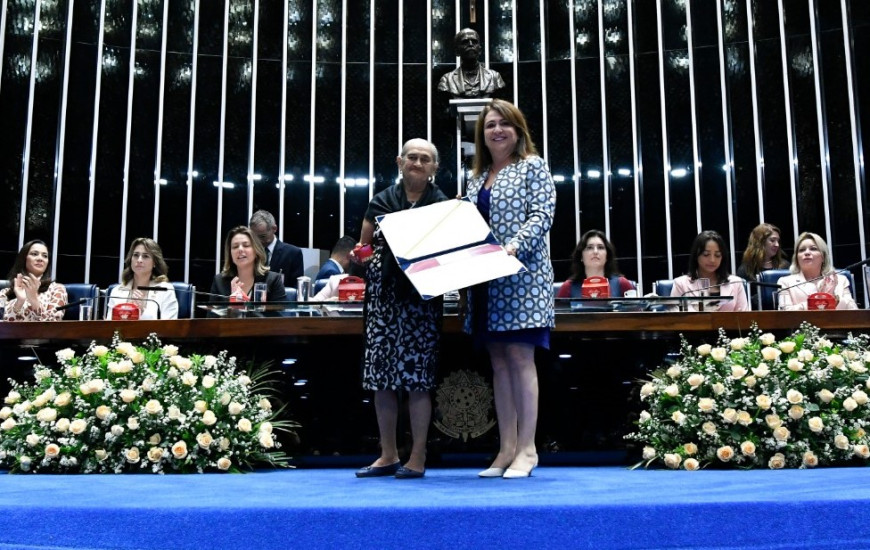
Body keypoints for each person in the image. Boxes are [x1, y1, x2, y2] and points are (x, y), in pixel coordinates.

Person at [463, 99, 556, 479]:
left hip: (522, 278)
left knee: (520, 359)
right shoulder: (474, 179)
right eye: (489, 125)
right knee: (499, 364)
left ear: (518, 130)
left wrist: (515, 244)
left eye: (504, 124)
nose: (496, 130)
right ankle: (506, 448)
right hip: (485, 282)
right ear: (481, 135)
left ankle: (528, 449)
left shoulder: (533, 165)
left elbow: (542, 213)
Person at [354, 138, 448, 480]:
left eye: (426, 159)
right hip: (382, 303)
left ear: (434, 168)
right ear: (399, 161)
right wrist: (359, 258)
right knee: (383, 380)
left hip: (421, 303)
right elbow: (363, 248)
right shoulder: (379, 201)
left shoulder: (442, 205)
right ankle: (388, 454)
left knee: (417, 381)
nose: (418, 162)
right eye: (413, 157)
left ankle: (418, 455)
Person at [670, 230, 750, 312]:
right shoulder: (681, 284)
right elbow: (674, 319)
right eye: (706, 254)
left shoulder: (736, 283)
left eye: (717, 255)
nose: (712, 260)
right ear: (696, 255)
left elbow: (745, 317)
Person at [776, 231, 858, 310]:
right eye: (801, 250)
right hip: (801, 324)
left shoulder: (840, 280)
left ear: (823, 257)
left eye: (813, 249)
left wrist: (833, 298)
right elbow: (784, 313)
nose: (807, 252)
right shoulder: (785, 282)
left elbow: (854, 312)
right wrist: (817, 302)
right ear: (797, 258)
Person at [211, 226, 287, 303]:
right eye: (235, 246)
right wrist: (232, 308)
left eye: (246, 245)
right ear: (230, 254)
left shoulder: (273, 280)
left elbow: (280, 314)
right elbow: (211, 314)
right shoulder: (219, 281)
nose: (240, 249)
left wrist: (246, 307)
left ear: (256, 251)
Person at [106, 238, 178, 320]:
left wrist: (142, 311)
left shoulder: (165, 290)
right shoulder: (117, 291)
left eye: (145, 256)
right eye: (136, 255)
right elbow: (110, 326)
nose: (139, 260)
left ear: (155, 262)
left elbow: (169, 328)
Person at [556, 230, 636, 298]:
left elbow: (635, 315)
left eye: (600, 247)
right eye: (589, 248)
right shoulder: (568, 287)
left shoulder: (622, 284)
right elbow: (557, 315)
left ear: (607, 256)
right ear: (581, 256)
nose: (595, 252)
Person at [2, 240, 67, 322]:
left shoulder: (57, 289)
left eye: (45, 256)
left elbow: (53, 324)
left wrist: (34, 299)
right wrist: (20, 301)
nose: (40, 259)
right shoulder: (5, 293)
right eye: (34, 254)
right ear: (24, 258)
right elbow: (3, 325)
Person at [437, 28, 506, 99]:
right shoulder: (447, 80)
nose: (470, 44)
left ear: (480, 50)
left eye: (474, 42)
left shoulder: (494, 77)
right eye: (465, 42)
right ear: (457, 51)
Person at [249, 210, 304, 284]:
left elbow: (295, 289)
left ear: (274, 229)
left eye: (262, 236)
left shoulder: (293, 254)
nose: (258, 241)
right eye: (255, 237)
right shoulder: (249, 252)